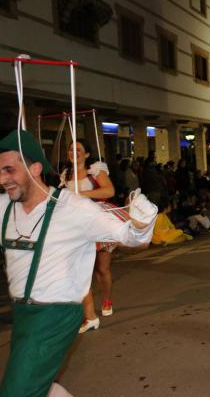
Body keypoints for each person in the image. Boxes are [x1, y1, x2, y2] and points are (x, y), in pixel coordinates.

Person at [0, 130, 156, 397]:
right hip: (22, 313)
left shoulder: (74, 208)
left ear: (35, 168)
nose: (2, 179)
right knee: (40, 386)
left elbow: (133, 237)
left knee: (17, 391)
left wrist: (142, 221)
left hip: (55, 314)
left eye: (9, 170)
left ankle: (102, 304)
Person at [59, 139, 127, 333]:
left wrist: (83, 194)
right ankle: (89, 315)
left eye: (78, 149)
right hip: (76, 224)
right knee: (80, 270)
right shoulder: (67, 173)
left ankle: (106, 299)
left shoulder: (96, 169)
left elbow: (109, 190)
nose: (74, 152)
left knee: (102, 268)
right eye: (71, 149)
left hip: (97, 219)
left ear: (87, 154)